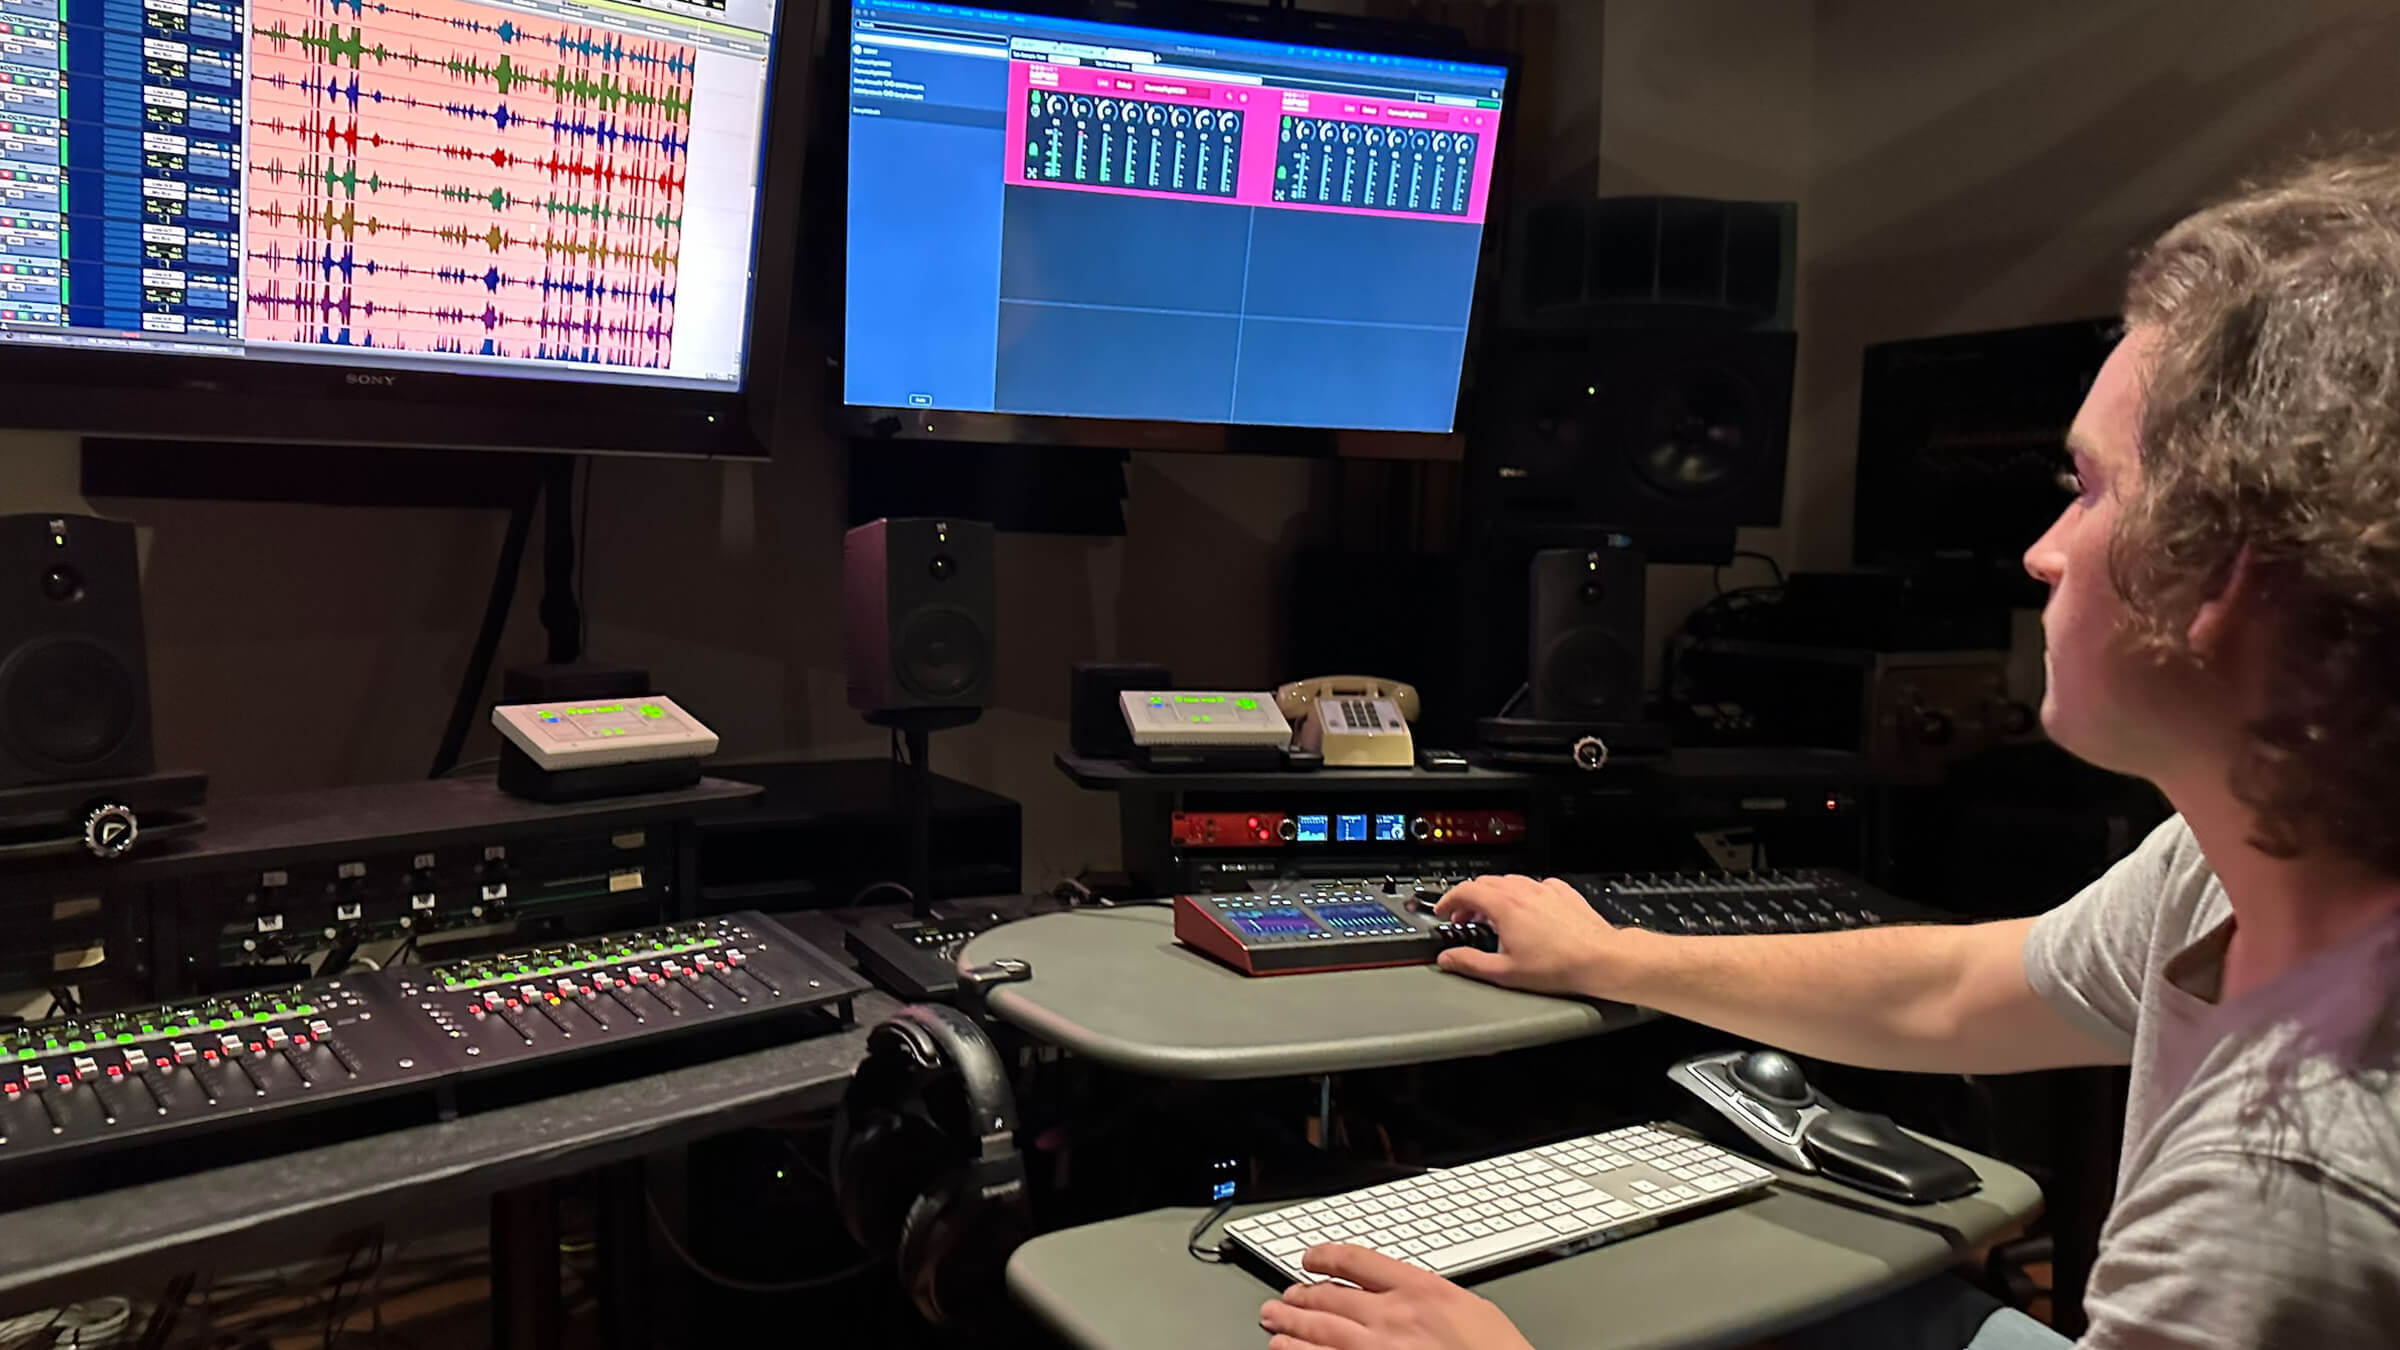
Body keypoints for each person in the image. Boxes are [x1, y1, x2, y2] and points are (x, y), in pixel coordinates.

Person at [1257, 146, 2400, 1350]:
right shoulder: (2247, 863)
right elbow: (1960, 992)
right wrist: (1611, 955)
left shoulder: (2281, 1193)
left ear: (2232, 576)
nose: (2043, 551)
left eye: (2090, 488)